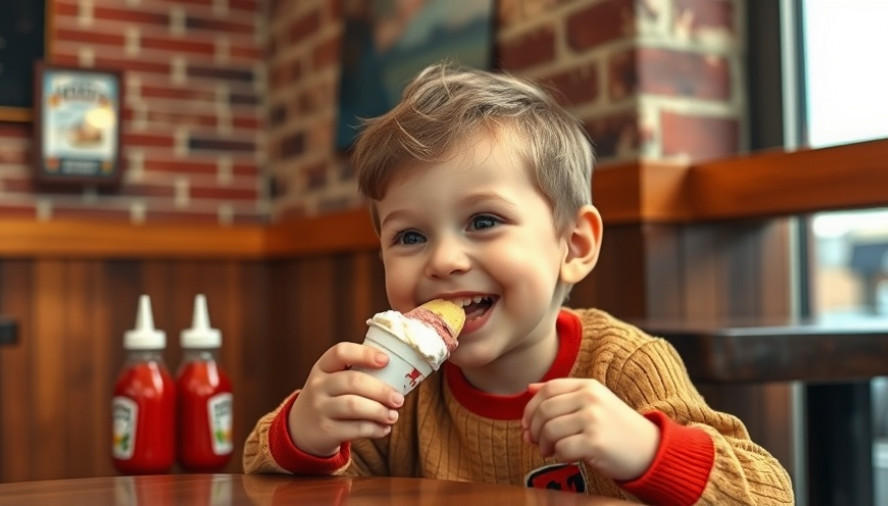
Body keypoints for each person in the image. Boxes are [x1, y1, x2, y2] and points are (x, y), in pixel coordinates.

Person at [243, 63, 794, 505]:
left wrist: (645, 448)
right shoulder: (401, 389)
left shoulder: (624, 365)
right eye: (409, 236)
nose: (445, 260)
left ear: (574, 246)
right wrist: (308, 429)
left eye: (483, 222)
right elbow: (264, 473)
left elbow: (768, 494)